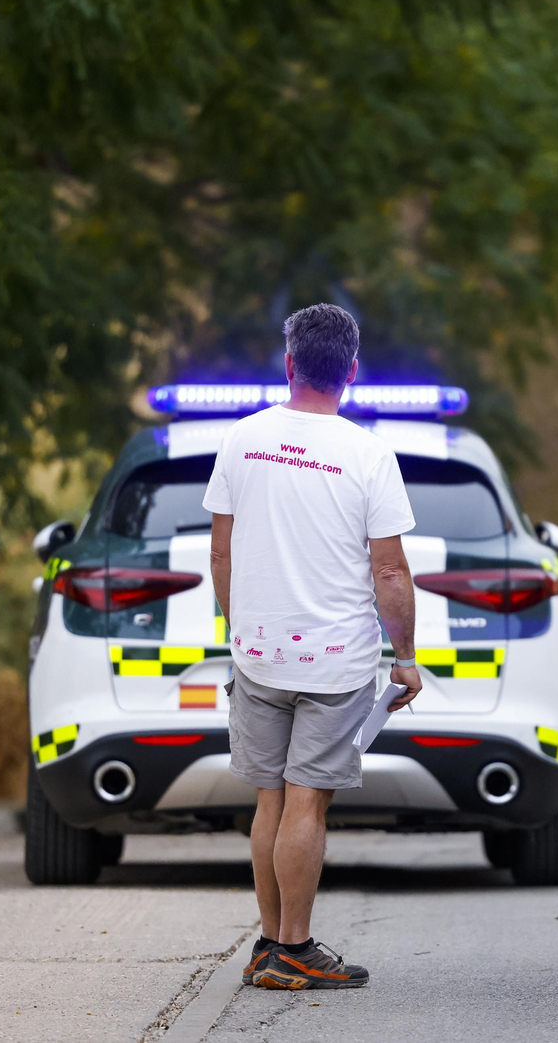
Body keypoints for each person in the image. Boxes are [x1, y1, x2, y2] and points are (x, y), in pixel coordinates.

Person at [204, 302, 423, 990]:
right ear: (352, 371)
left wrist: (241, 627)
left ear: (290, 362)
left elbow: (221, 550)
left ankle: (270, 944)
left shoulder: (242, 439)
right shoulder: (367, 452)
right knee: (307, 802)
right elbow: (389, 571)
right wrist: (406, 653)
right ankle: (293, 944)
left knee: (269, 800)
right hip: (333, 661)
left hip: (258, 650)